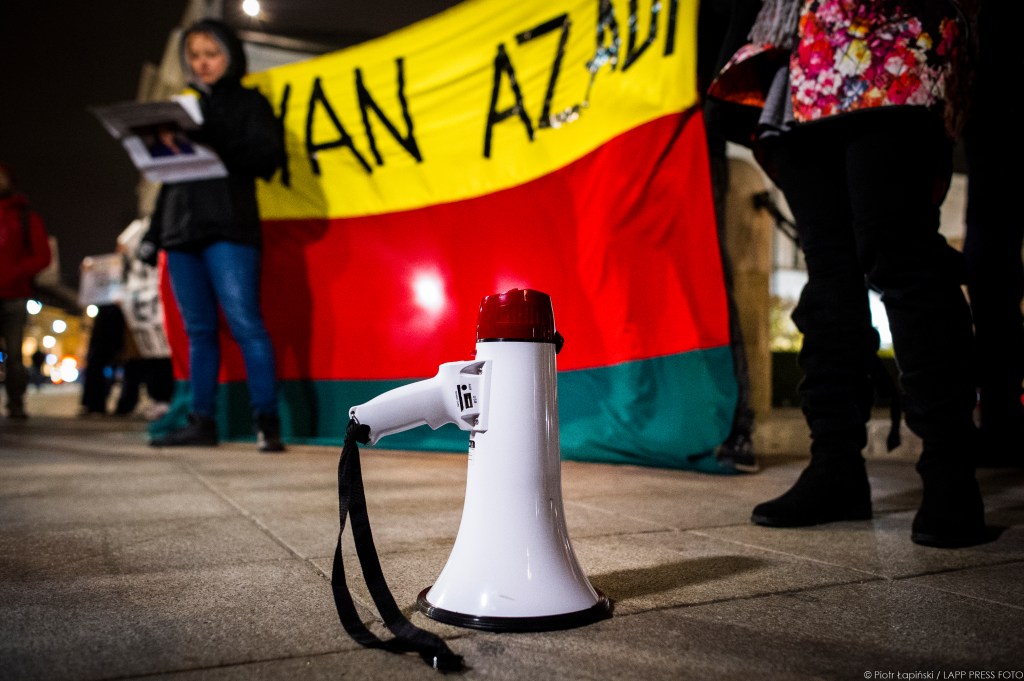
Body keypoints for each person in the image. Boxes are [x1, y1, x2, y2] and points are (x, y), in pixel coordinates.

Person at [709, 0, 988, 548]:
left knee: (900, 251)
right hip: (802, 52)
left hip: (893, 32)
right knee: (829, 270)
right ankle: (835, 466)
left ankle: (951, 472)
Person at [140, 18, 286, 452]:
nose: (202, 63)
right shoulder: (181, 108)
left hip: (229, 228)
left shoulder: (250, 104)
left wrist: (211, 136)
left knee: (246, 323)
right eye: (195, 56)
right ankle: (201, 421)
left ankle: (267, 422)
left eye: (211, 54)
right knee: (198, 331)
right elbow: (169, 180)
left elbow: (268, 159)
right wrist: (154, 234)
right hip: (181, 233)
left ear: (230, 55)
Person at [961, 1, 1024, 464]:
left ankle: (1000, 419)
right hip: (994, 64)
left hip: (994, 60)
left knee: (991, 245)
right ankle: (1000, 417)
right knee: (991, 249)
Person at [0, 161, 52, 420]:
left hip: (15, 295)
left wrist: (16, 272)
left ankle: (16, 402)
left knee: (14, 354)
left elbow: (43, 256)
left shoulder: (24, 216)